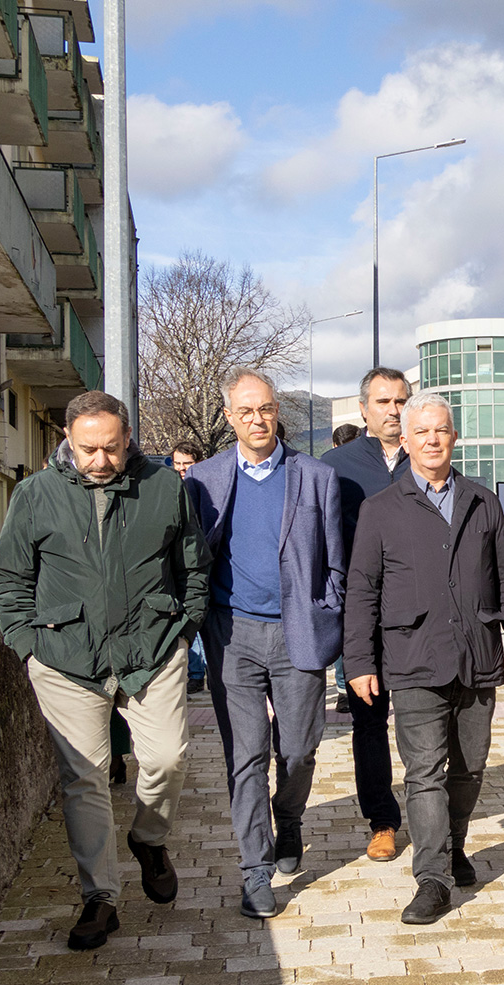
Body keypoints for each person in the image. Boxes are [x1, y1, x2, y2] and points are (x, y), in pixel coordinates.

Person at [0, 390, 208, 951]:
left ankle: (149, 839)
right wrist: (25, 646)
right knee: (84, 776)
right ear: (68, 440)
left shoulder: (164, 487)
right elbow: (9, 579)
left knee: (167, 757)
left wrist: (184, 629)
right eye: (88, 449)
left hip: (152, 650)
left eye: (111, 448)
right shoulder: (35, 495)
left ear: (128, 439)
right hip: (65, 658)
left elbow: (193, 566)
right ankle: (99, 898)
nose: (100, 461)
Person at [345, 391, 504, 924]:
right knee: (424, 771)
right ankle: (432, 879)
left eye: (441, 430)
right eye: (421, 431)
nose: (432, 439)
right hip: (412, 658)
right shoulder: (380, 509)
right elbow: (361, 590)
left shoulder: (482, 501)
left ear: (456, 438)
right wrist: (359, 660)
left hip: (476, 654)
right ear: (404, 441)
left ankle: (452, 843)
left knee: (469, 768)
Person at [185, 369, 346, 919]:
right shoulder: (202, 480)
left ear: (279, 412)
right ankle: (255, 871)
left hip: (298, 631)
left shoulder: (316, 476)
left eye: (267, 409)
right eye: (246, 411)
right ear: (229, 416)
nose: (257, 419)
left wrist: (329, 610)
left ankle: (291, 818)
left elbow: (335, 560)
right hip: (233, 635)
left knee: (298, 749)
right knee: (245, 755)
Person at [320, 367, 413, 863]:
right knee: (370, 722)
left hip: (422, 616)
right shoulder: (334, 467)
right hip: (365, 616)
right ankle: (382, 820)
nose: (394, 410)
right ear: (363, 409)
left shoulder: (429, 457)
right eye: (383, 402)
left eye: (401, 400)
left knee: (425, 722)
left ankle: (433, 811)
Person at [168, 441, 210, 695]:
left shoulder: (203, 488)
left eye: (188, 464)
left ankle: (202, 671)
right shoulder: (167, 488)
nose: (182, 469)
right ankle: (195, 673)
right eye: (178, 464)